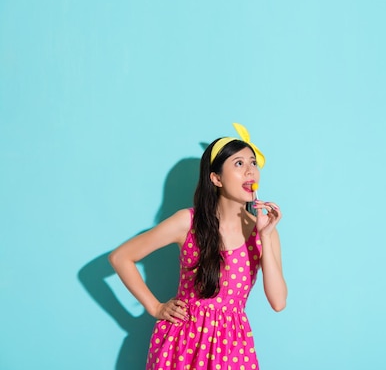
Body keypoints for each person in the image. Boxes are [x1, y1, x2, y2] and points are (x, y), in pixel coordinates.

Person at [109, 123, 287, 370]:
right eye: (239, 163)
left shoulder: (265, 231)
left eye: (253, 163)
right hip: (182, 344)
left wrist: (266, 236)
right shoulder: (188, 222)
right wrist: (156, 307)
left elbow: (278, 302)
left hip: (232, 347)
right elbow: (121, 257)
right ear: (216, 178)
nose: (250, 171)